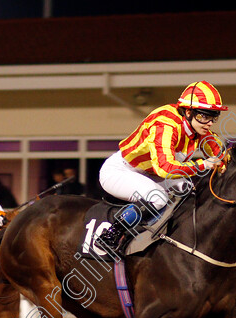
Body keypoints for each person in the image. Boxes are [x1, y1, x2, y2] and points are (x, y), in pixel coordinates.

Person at [97, 81, 228, 249]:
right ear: (188, 112)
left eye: (213, 116)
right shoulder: (165, 125)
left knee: (187, 189)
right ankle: (111, 235)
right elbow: (165, 168)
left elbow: (220, 154)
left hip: (151, 174)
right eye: (204, 116)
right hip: (122, 170)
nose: (209, 123)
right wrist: (202, 165)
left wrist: (226, 161)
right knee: (157, 198)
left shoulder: (198, 127)